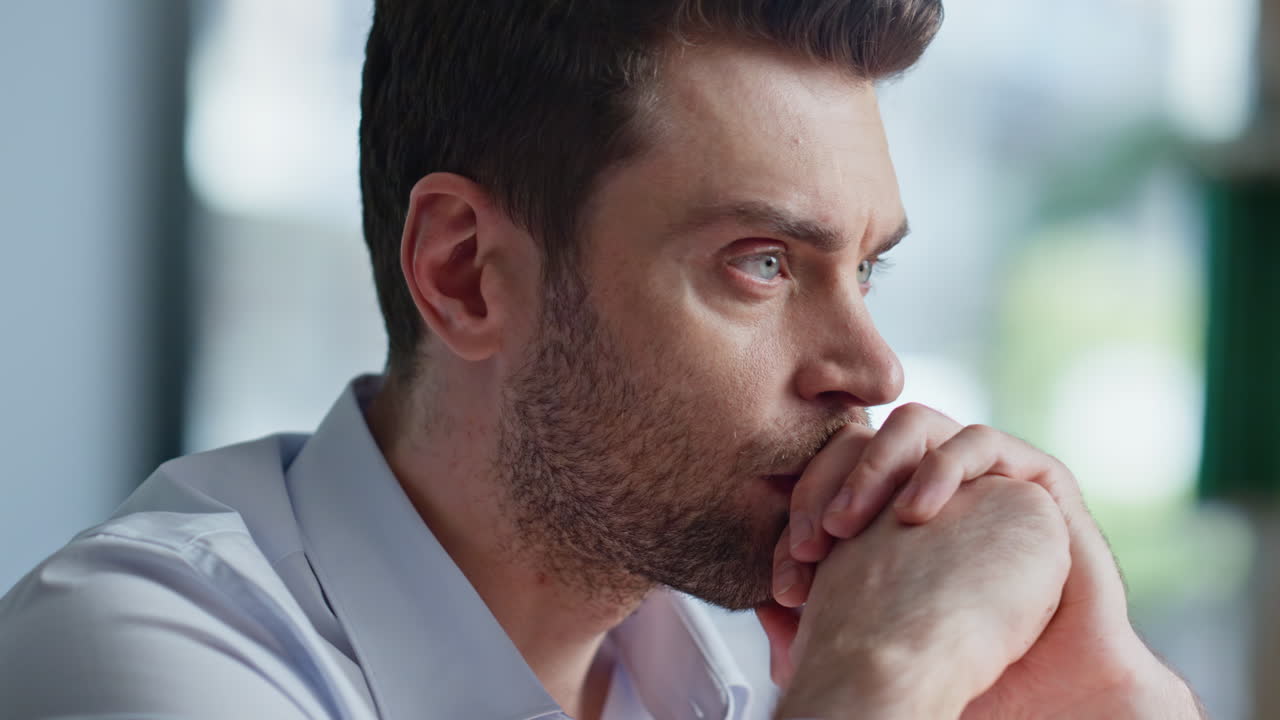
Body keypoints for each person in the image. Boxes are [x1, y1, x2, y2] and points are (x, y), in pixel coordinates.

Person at [0, 2, 1207, 719]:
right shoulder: (133, 656)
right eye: (763, 263)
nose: (872, 368)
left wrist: (1095, 692)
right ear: (466, 273)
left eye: (866, 268)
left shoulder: (733, 654)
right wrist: (879, 681)